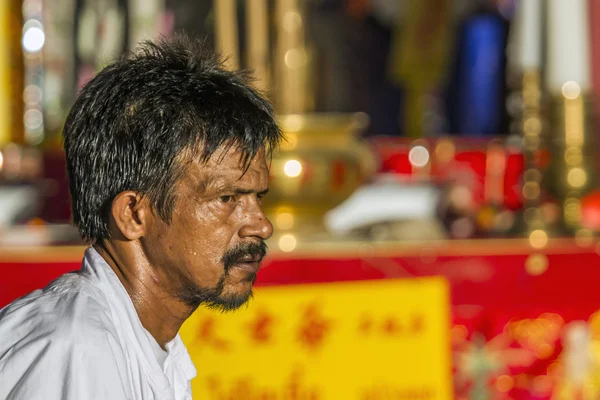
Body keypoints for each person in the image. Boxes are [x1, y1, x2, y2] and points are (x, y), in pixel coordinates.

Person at [0, 34, 283, 400]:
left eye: (257, 197)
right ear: (133, 214)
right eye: (226, 197)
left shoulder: (146, 345)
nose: (261, 225)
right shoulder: (78, 350)